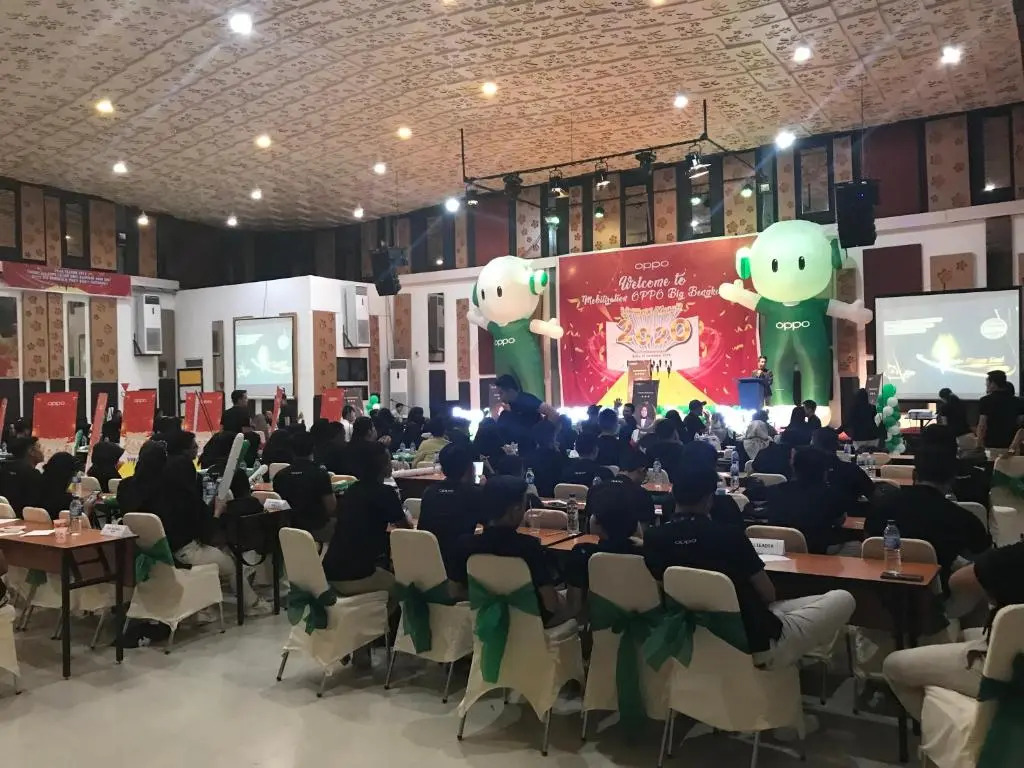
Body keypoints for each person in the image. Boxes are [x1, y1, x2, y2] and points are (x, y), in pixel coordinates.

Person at [644, 466, 856, 668]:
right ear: (709, 499)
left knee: (781, 610)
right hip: (755, 641)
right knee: (843, 598)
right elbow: (767, 594)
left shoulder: (653, 538)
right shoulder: (729, 536)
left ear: (674, 494)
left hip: (693, 637)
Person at [883, 539, 1024, 722]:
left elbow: (960, 580)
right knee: (964, 634)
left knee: (893, 666)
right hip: (1010, 655)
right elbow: (982, 540)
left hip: (1008, 669)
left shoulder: (1013, 557)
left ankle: (969, 735)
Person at [866, 427, 990, 587]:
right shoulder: (963, 519)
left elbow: (868, 540)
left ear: (914, 475)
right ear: (952, 480)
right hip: (940, 593)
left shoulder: (881, 508)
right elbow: (983, 562)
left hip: (882, 589)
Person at [450, 475, 568, 625]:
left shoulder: (465, 544)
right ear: (515, 510)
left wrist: (490, 602)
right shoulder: (529, 547)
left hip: (483, 620)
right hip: (531, 622)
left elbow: (453, 591)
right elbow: (550, 603)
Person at [322, 442, 411, 599]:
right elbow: (405, 529)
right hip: (357, 574)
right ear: (382, 465)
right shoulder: (385, 493)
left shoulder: (351, 490)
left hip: (330, 570)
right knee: (405, 592)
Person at [764, 447, 853, 554]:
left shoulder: (775, 491)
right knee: (854, 546)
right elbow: (840, 521)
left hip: (778, 550)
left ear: (794, 468)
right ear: (824, 471)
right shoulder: (831, 494)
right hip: (817, 551)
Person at [566, 481, 643, 602]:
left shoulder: (581, 553)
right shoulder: (646, 552)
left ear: (596, 521)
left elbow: (574, 606)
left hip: (596, 613)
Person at [418, 444, 487, 578]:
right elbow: (491, 527)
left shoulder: (429, 492)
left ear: (443, 469)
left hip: (429, 564)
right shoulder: (475, 494)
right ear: (470, 468)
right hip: (461, 568)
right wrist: (484, 490)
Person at [273, 430, 337, 543]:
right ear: (313, 449)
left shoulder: (280, 475)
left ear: (291, 451)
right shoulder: (320, 474)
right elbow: (331, 507)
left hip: (288, 529)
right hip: (317, 529)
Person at [586, 448, 656, 530]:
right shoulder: (642, 494)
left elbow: (589, 523)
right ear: (642, 470)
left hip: (598, 537)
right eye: (646, 473)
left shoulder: (595, 489)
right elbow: (644, 531)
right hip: (629, 538)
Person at [811, 427, 874, 503]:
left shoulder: (805, 472)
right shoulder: (852, 470)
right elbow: (873, 495)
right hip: (848, 509)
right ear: (837, 444)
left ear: (812, 446)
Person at [977, 370, 1021, 450]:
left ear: (993, 384)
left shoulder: (985, 400)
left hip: (992, 444)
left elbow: (982, 425)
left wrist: (979, 444)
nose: (986, 385)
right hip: (1012, 445)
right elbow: (1020, 424)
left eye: (987, 382)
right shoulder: (1018, 401)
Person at [520, 419, 564, 498]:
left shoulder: (528, 457)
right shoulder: (558, 457)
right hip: (555, 497)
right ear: (553, 436)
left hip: (534, 497)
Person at [0, 436, 43, 515]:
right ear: (31, 451)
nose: (42, 451)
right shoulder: (33, 474)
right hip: (24, 517)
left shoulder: (4, 469)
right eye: (39, 447)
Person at [38, 452, 79, 519]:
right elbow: (78, 519)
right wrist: (87, 507)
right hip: (60, 523)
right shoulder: (67, 500)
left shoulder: (38, 488)